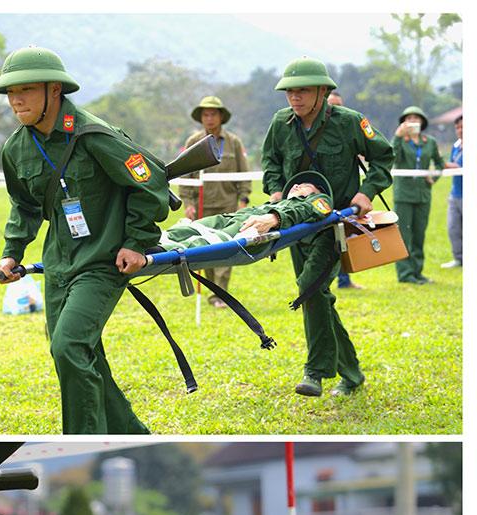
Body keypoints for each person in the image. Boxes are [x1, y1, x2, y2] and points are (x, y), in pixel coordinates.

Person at [0, 46, 170, 434]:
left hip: (103, 262)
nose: (15, 99)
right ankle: (131, 435)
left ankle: (83, 439)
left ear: (54, 90)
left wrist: (136, 242)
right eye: (9, 92)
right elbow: (23, 206)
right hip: (58, 266)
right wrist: (11, 254)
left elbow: (150, 185)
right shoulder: (15, 148)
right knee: (80, 354)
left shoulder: (93, 135)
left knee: (69, 346)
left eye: (25, 89)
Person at [261, 57, 393, 398]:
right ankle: (351, 373)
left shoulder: (349, 122)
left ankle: (316, 371)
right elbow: (271, 161)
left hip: (336, 223)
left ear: (323, 91)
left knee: (309, 286)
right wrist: (276, 190)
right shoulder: (280, 123)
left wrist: (366, 192)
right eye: (289, 92)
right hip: (294, 223)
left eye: (303, 90)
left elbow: (383, 156)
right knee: (318, 296)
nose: (295, 98)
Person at [177, 97, 251, 306]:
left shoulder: (233, 142)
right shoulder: (193, 142)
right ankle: (213, 291)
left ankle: (220, 294)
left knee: (227, 249)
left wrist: (243, 198)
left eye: (213, 114)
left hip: (228, 205)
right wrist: (187, 203)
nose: (209, 118)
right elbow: (186, 176)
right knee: (206, 250)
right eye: (205, 114)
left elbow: (243, 173)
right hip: (202, 205)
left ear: (221, 117)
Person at [162, 172, 337, 249]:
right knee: (189, 229)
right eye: (296, 184)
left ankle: (159, 253)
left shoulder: (317, 201)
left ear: (316, 194)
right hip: (233, 217)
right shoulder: (279, 202)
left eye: (305, 186)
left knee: (206, 242)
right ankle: (153, 243)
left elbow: (309, 209)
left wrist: (274, 218)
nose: (297, 186)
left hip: (249, 227)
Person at [391, 106, 446, 284]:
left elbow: (439, 164)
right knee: (404, 235)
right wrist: (398, 137)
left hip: (423, 195)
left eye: (416, 118)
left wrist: (434, 176)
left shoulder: (429, 142)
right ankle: (405, 274)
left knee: (419, 234)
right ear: (403, 123)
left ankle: (417, 272)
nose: (413, 121)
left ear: (422, 122)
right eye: (409, 118)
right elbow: (393, 158)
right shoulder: (400, 141)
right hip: (404, 195)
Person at [325, 93, 361, 290]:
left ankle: (345, 280)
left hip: (345, 198)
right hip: (322, 199)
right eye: (331, 105)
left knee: (344, 240)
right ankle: (325, 282)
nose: (335, 110)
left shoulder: (349, 129)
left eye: (339, 105)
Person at [442, 115, 462, 268]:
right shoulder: (456, 146)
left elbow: (456, 166)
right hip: (455, 193)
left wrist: (443, 164)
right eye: (457, 127)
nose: (460, 130)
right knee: (453, 228)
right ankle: (459, 258)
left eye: (463, 127)